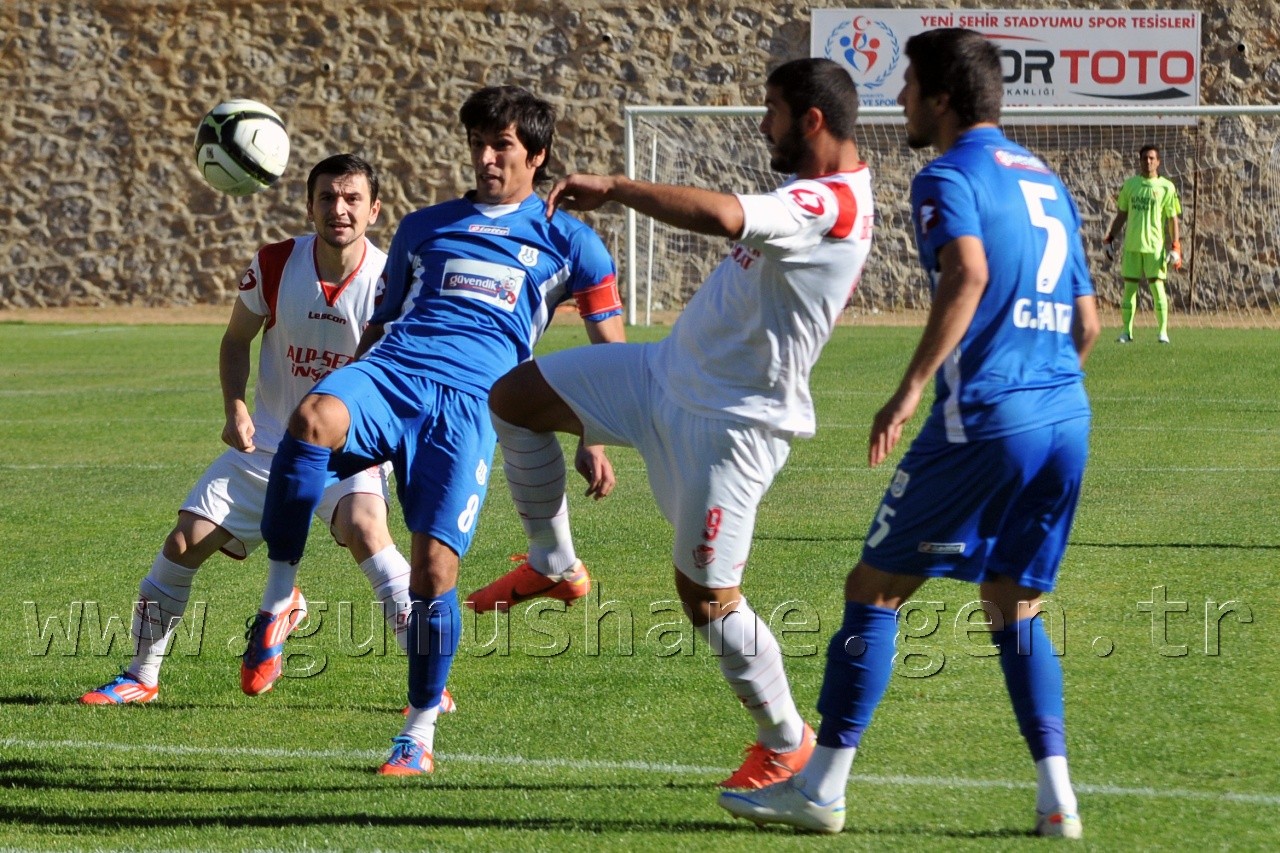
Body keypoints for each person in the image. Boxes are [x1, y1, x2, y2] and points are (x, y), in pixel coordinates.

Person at [718, 29, 1099, 838]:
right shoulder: (1046, 178)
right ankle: (1056, 797)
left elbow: (969, 271)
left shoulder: (947, 176)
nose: (899, 101)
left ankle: (820, 789)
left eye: (910, 86)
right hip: (1066, 417)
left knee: (874, 590)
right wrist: (1041, 391)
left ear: (943, 98)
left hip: (985, 420)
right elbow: (1088, 323)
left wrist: (911, 388)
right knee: (1015, 604)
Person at [469, 58, 875, 791]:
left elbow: (723, 216)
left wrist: (617, 188)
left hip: (731, 427)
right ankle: (553, 561)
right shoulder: (817, 194)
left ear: (812, 121)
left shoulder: (829, 204)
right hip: (659, 375)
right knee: (516, 397)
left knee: (707, 599)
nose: (763, 126)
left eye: (773, 111)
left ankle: (786, 741)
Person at [247, 85, 625, 776]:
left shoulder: (574, 243)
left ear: (537, 155)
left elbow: (610, 352)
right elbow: (383, 321)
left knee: (432, 571)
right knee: (311, 418)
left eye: (501, 146)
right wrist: (352, 383)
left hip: (472, 404)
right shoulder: (424, 225)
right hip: (391, 373)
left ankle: (418, 729)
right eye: (478, 144)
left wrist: (592, 434)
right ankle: (278, 601)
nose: (485, 158)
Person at [80, 153, 426, 705]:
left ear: (374, 209)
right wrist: (235, 407)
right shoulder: (275, 262)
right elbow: (236, 339)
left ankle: (428, 687)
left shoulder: (391, 281)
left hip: (347, 451)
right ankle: (141, 676)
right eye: (327, 198)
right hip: (266, 445)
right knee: (182, 543)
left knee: (368, 533)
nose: (339, 209)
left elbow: (393, 375)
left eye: (352, 199)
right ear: (309, 206)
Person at [1103, 143, 1182, 344]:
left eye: (1152, 158)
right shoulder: (1130, 185)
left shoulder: (1166, 187)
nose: (1148, 161)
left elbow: (1172, 218)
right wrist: (1110, 238)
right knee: (1129, 290)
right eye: (1145, 158)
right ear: (1139, 161)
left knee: (1157, 288)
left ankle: (1163, 332)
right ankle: (1126, 332)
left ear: (1158, 162)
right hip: (1132, 246)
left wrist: (1176, 246)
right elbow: (1121, 215)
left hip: (1155, 248)